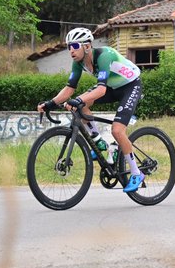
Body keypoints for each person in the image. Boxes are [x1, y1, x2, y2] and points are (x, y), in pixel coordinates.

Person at [38, 28, 146, 193]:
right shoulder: (78, 62)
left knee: (117, 130)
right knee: (80, 105)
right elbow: (69, 88)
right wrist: (50, 104)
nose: (71, 50)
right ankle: (99, 143)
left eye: (75, 45)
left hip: (130, 86)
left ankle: (137, 173)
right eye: (69, 46)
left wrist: (79, 99)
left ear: (87, 46)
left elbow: (101, 90)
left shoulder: (104, 56)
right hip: (112, 86)